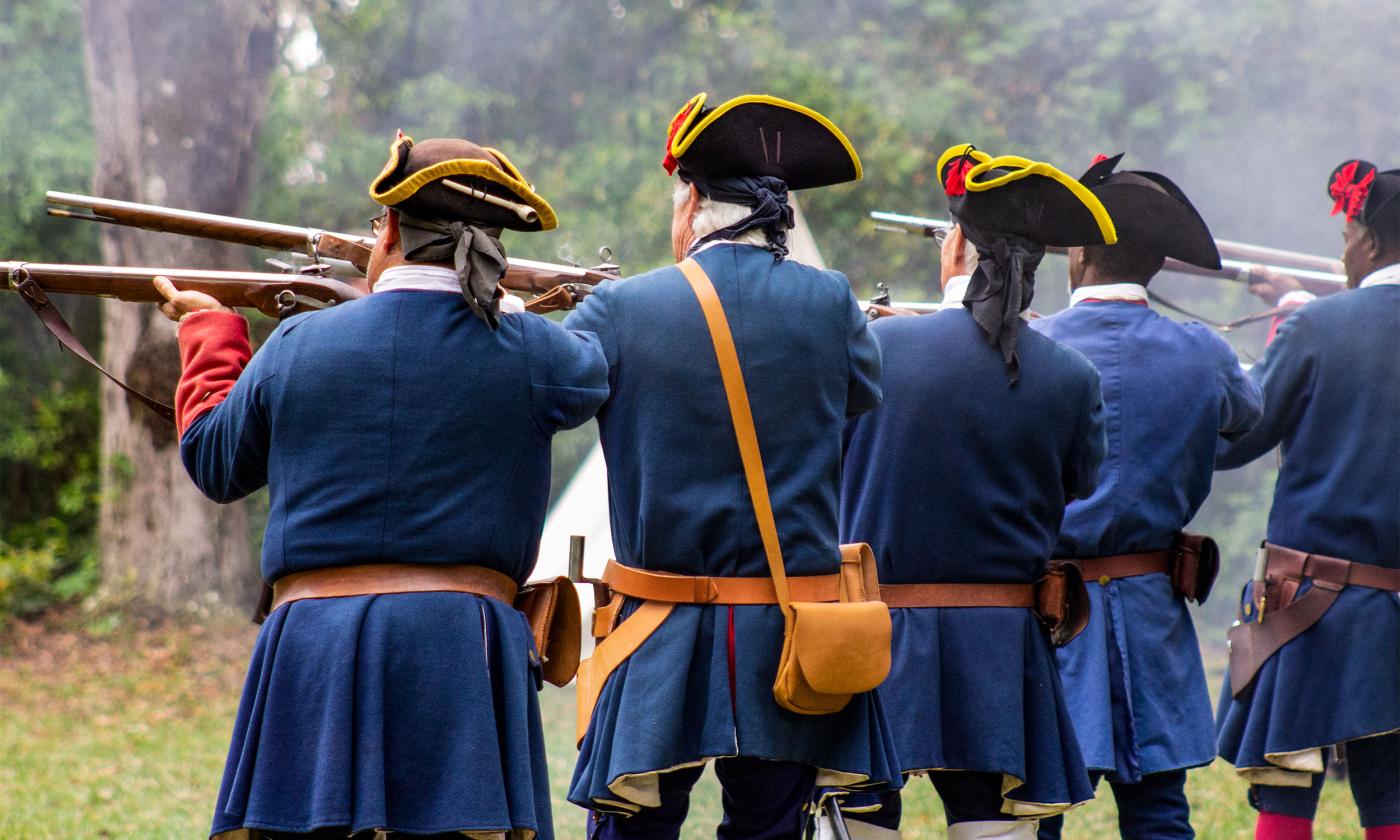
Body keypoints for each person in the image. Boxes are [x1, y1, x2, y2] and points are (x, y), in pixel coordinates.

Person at [154, 133, 609, 840]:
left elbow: (213, 463)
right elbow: (591, 370)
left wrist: (211, 331)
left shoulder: (297, 345)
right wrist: (511, 310)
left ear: (391, 226)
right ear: (496, 253)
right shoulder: (530, 353)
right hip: (461, 648)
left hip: (311, 645)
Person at [563, 92, 900, 840]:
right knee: (773, 829)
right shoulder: (831, 301)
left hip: (657, 630)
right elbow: (861, 392)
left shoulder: (622, 309)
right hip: (789, 628)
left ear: (692, 201)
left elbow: (554, 390)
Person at [832, 143, 1113, 840]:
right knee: (994, 823)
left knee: (864, 820)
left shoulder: (876, 349)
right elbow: (1081, 483)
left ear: (955, 243)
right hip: (1001, 644)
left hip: (874, 637)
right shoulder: (1072, 376)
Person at [1030, 154, 1264, 840]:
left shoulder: (1033, 346)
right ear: (1157, 263)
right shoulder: (1203, 351)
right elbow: (1243, 416)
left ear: (1080, 251)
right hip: (1152, 608)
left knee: (1036, 811)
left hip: (1049, 616)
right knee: (1159, 811)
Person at [1213, 159, 1400, 840]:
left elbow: (1236, 440)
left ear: (1371, 243)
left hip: (1311, 606)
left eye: (1348, 234)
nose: (1343, 248)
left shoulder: (1319, 327)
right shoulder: (1316, 322)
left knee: (1287, 791)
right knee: (1394, 802)